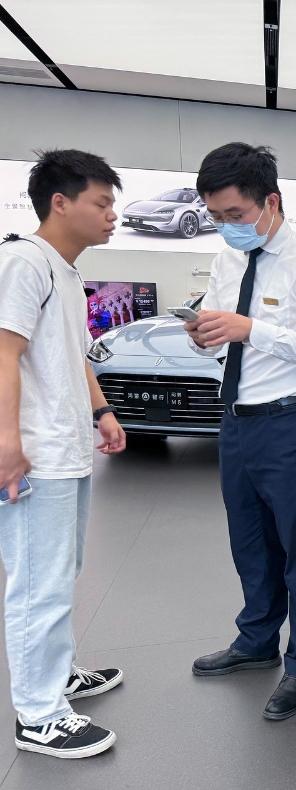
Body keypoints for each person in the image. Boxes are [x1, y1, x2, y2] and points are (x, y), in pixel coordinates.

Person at [182, 143, 296, 721]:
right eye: (216, 216)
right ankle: (256, 641)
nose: (226, 226)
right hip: (237, 421)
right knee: (249, 541)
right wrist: (203, 334)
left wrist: (251, 328)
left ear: (270, 202)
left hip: (293, 422)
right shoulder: (227, 260)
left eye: (235, 215)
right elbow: (219, 332)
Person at [0, 149, 127, 759]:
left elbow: (71, 356)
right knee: (37, 584)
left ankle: (55, 675)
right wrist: (7, 444)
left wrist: (101, 411)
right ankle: (38, 715)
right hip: (34, 455)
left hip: (66, 448)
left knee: (61, 572)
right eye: (102, 203)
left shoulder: (66, 273)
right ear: (60, 202)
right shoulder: (23, 262)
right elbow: (2, 353)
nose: (112, 216)